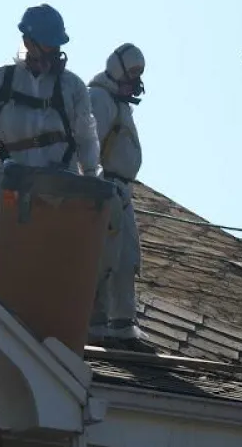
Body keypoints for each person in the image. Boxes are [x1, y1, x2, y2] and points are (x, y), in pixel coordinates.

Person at [0, 4, 101, 274]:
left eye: (57, 45)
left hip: (58, 181)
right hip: (11, 176)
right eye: (48, 44)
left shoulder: (72, 87)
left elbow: (87, 136)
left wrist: (90, 179)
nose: (54, 52)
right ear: (28, 42)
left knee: (61, 257)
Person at [86, 43, 151, 352]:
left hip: (121, 192)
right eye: (132, 73)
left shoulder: (119, 103)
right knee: (102, 258)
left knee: (126, 259)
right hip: (104, 188)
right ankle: (93, 323)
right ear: (116, 71)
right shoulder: (98, 99)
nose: (135, 80)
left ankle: (123, 325)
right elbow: (88, 148)